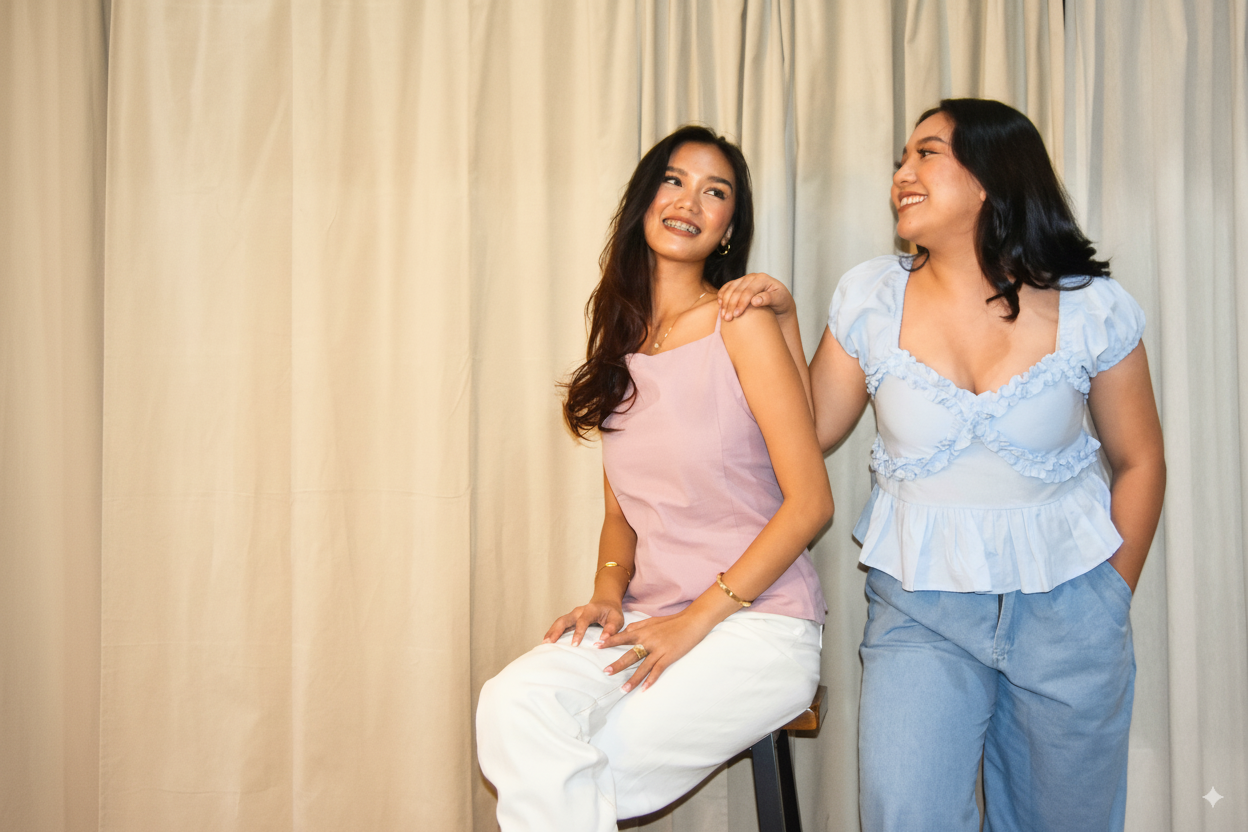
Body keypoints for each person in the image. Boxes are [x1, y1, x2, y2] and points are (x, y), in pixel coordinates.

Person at [717, 99, 1166, 831]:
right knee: (906, 812)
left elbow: (1141, 459)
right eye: (902, 158)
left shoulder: (1094, 307)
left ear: (991, 175)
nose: (902, 174)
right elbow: (811, 431)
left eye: (926, 154)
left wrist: (1110, 598)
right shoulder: (870, 297)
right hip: (922, 610)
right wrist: (787, 320)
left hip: (1070, 610)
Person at [475, 125, 832, 832]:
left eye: (715, 191)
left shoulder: (741, 323)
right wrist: (607, 595)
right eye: (675, 180)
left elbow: (811, 503)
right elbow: (622, 514)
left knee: (583, 764)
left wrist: (694, 623)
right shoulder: (619, 339)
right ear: (644, 199)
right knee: (510, 704)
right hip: (648, 617)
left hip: (756, 625)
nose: (690, 200)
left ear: (730, 227)